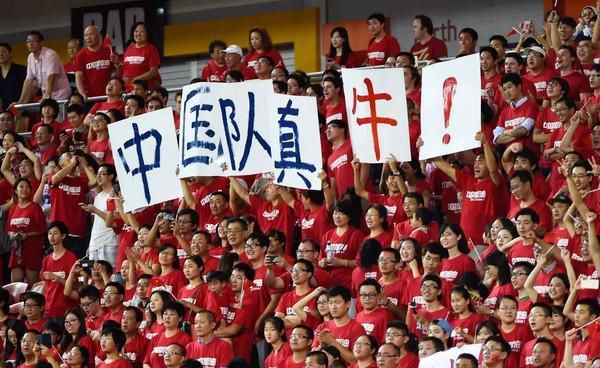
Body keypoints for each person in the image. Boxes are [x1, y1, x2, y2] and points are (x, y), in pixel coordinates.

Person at [7, 178, 46, 285]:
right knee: (15, 284)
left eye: (28, 187)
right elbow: (9, 229)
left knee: (32, 284)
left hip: (32, 250)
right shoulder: (13, 209)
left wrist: (27, 235)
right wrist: (12, 234)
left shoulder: (35, 207)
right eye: (21, 186)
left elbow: (42, 229)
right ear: (15, 190)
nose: (25, 189)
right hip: (16, 251)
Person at [313, 286, 366, 364]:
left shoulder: (357, 328)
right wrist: (321, 347)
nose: (333, 307)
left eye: (337, 302)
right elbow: (313, 360)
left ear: (348, 304)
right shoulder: (322, 327)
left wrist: (333, 342)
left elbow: (356, 361)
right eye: (330, 303)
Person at [18, 31, 70, 103]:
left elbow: (51, 77)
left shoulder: (50, 55)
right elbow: (28, 80)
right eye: (28, 41)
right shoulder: (30, 57)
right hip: (46, 95)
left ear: (41, 43)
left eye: (34, 41)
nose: (30, 44)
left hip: (60, 95)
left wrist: (46, 96)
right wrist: (20, 102)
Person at [82, 163, 118, 263]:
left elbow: (115, 221)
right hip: (95, 244)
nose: (98, 176)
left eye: (102, 173)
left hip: (109, 243)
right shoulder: (98, 197)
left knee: (109, 275)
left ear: (111, 176)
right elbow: (95, 224)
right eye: (97, 174)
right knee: (95, 277)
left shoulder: (116, 196)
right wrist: (91, 244)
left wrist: (95, 211)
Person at [144, 301, 192, 368]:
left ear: (180, 318)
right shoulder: (155, 338)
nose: (167, 317)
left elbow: (187, 363)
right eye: (165, 314)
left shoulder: (186, 339)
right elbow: (146, 363)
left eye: (172, 314)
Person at [75, 25, 115, 99]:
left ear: (98, 35)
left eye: (91, 34)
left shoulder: (108, 51)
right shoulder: (81, 55)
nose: (88, 38)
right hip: (90, 97)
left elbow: (116, 71)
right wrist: (82, 93)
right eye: (86, 35)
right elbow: (78, 77)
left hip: (108, 95)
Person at [120, 22, 161, 90]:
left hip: (144, 89)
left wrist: (135, 79)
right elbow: (124, 68)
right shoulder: (129, 48)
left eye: (142, 32)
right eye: (136, 31)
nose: (138, 34)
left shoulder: (151, 49)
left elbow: (153, 72)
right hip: (128, 89)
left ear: (147, 34)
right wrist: (117, 63)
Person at [0, 42, 26, 110]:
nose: (0, 54)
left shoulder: (21, 70)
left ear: (10, 53)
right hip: (4, 111)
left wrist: (21, 102)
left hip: (20, 107)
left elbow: (28, 90)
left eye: (4, 52)